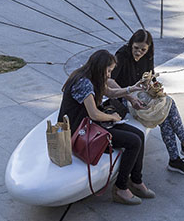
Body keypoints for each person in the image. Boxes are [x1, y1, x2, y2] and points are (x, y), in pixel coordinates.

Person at [107, 29, 184, 176]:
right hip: (124, 98)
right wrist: (129, 95)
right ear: (131, 45)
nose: (138, 52)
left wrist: (155, 88)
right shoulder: (122, 55)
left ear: (148, 49)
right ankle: (183, 145)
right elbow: (110, 81)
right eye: (136, 48)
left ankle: (177, 156)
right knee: (168, 106)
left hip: (141, 95)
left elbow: (151, 77)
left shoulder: (147, 56)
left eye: (143, 50)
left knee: (165, 109)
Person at [58, 49, 153, 205]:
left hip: (90, 125)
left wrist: (131, 89)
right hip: (80, 132)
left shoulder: (90, 76)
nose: (109, 75)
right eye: (108, 71)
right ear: (100, 67)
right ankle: (120, 188)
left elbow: (109, 91)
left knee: (139, 135)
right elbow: (94, 113)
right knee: (133, 142)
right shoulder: (83, 83)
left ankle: (136, 181)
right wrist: (112, 117)